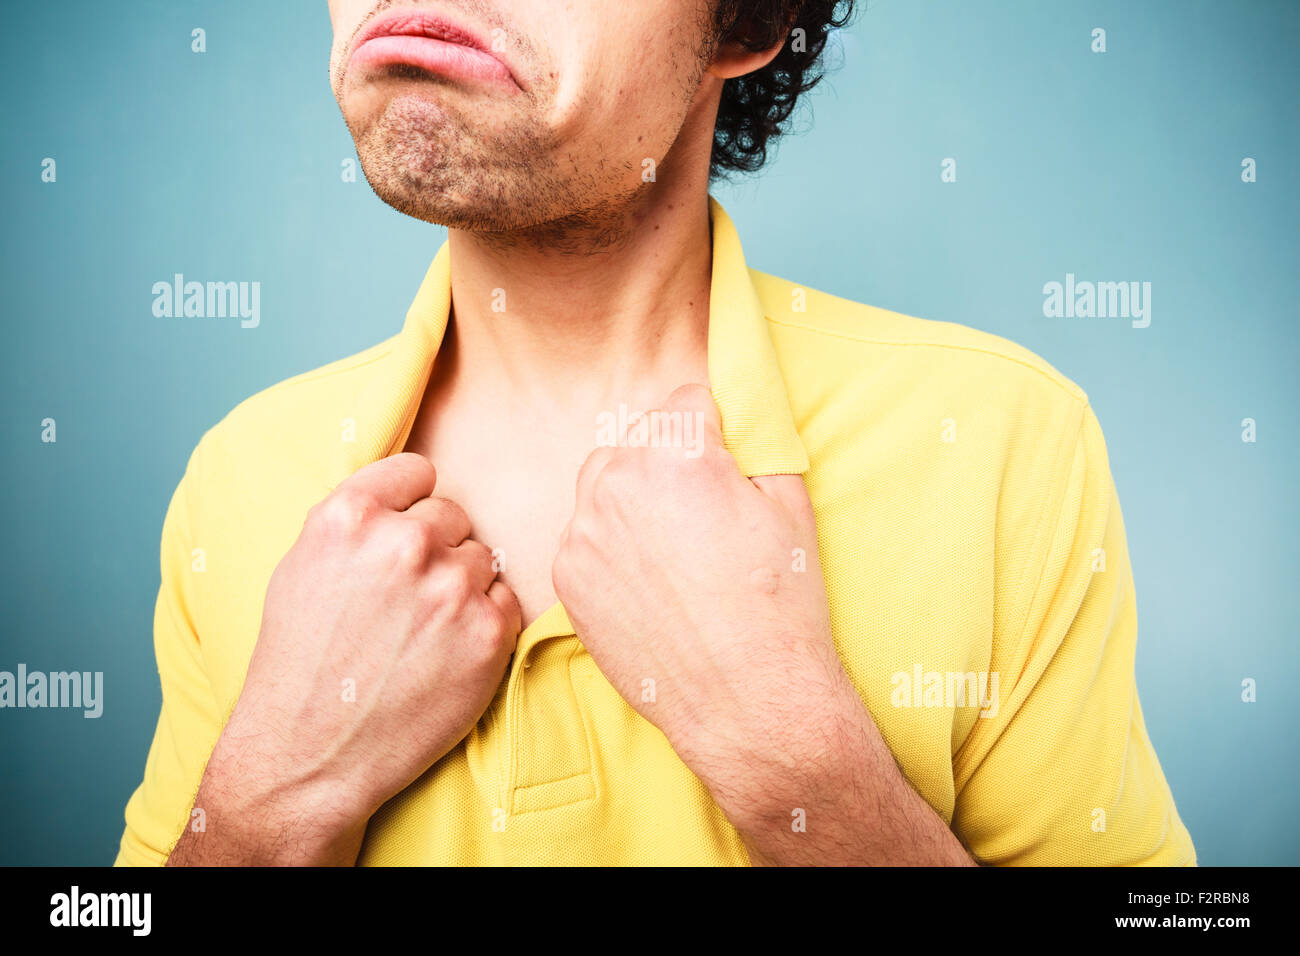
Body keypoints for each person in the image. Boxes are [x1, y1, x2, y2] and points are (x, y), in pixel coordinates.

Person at [115, 0, 1195, 866]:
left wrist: (800, 762)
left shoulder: (1001, 445)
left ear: (746, 25)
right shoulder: (238, 477)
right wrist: (264, 808)